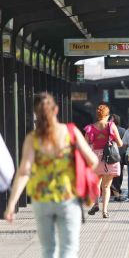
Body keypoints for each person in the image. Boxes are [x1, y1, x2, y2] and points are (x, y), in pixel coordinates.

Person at [4, 93, 99, 258]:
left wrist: (11, 204)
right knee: (68, 249)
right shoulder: (71, 132)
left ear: (36, 113)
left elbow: (24, 172)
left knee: (48, 250)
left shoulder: (32, 139)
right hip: (67, 198)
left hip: (41, 199)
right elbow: (92, 161)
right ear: (56, 110)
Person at [84, 104, 123, 218]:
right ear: (107, 115)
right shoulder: (111, 126)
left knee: (96, 184)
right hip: (109, 158)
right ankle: (104, 211)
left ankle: (96, 204)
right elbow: (120, 143)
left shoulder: (90, 127)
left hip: (95, 158)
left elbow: (85, 144)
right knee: (106, 186)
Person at [110, 114, 128, 202]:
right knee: (119, 173)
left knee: (111, 173)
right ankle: (117, 188)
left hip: (111, 154)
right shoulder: (123, 130)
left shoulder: (110, 130)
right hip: (120, 155)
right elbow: (125, 144)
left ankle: (114, 189)